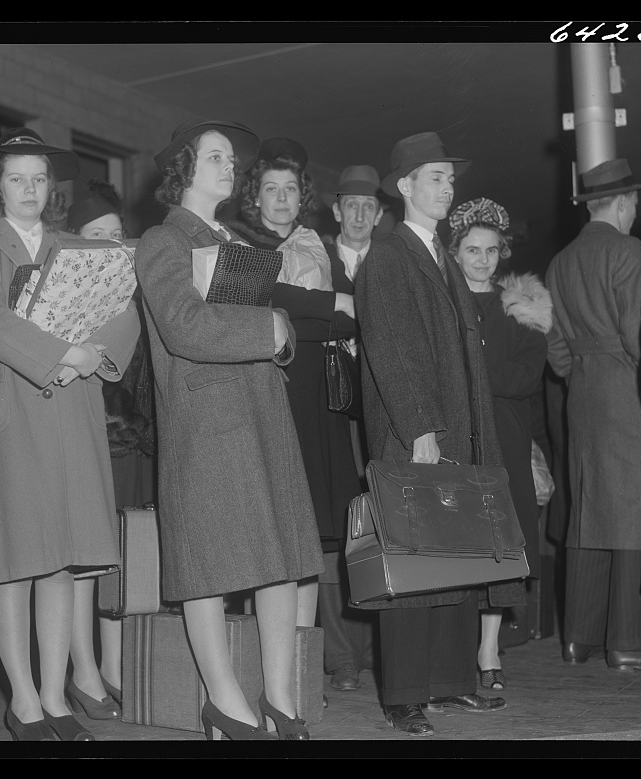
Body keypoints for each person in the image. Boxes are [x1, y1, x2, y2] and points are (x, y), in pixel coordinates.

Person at [136, 119, 324, 740]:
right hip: (207, 416)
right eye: (214, 156)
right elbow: (183, 327)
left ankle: (280, 696)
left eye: (229, 157)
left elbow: (274, 322)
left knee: (279, 561)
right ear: (182, 171)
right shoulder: (163, 242)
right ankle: (224, 700)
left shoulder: (237, 239)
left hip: (260, 409)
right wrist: (267, 331)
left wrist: (282, 333)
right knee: (209, 564)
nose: (229, 164)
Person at [0, 127, 141, 741]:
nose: (30, 189)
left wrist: (94, 358)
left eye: (39, 178)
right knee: (13, 558)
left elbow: (122, 308)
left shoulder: (75, 245)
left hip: (71, 405)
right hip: (10, 402)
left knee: (59, 557)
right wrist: (60, 354)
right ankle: (24, 702)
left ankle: (57, 696)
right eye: (16, 178)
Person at [355, 131, 507, 736]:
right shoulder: (390, 254)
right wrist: (419, 428)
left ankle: (449, 681)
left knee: (454, 556)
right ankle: (405, 697)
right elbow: (392, 348)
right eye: (435, 178)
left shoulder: (438, 253)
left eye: (450, 178)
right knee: (414, 562)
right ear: (405, 186)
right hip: (418, 430)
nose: (447, 187)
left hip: (457, 430)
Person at [544, 158, 641, 674]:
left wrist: (580, 372)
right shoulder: (627, 249)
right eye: (634, 202)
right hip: (625, 392)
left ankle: (580, 636)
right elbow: (637, 334)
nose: (635, 209)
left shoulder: (558, 263)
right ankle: (631, 641)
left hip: (582, 395)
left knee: (588, 511)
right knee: (633, 510)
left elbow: (553, 349)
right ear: (621, 203)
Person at [230, 139, 360, 640]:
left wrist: (303, 313)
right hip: (269, 390)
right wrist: (328, 305)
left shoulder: (321, 246)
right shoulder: (240, 244)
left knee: (311, 538)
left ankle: (300, 665)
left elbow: (354, 323)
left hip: (318, 401)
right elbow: (258, 298)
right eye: (271, 189)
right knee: (263, 534)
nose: (282, 199)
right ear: (254, 196)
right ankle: (257, 655)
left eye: (290, 189)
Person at [60, 180, 155, 721]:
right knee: (84, 559)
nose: (110, 245)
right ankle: (83, 670)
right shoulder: (68, 291)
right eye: (96, 235)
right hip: (90, 432)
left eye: (117, 235)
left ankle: (116, 666)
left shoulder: (137, 286)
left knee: (125, 557)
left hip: (135, 436)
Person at [448, 197, 551, 689]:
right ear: (456, 252)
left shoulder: (523, 307)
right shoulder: (444, 302)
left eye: (491, 250)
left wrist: (474, 372)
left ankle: (489, 651)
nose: (483, 259)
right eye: (473, 250)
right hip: (457, 435)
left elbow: (527, 376)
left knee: (500, 544)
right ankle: (454, 647)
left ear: (502, 253)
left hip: (506, 437)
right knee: (460, 539)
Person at [315, 164, 385, 693]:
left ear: (380, 214)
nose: (359, 215)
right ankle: (340, 657)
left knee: (379, 526)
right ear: (336, 211)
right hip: (330, 408)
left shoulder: (390, 262)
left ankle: (375, 651)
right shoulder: (313, 258)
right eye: (350, 205)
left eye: (369, 206)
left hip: (381, 410)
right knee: (334, 528)